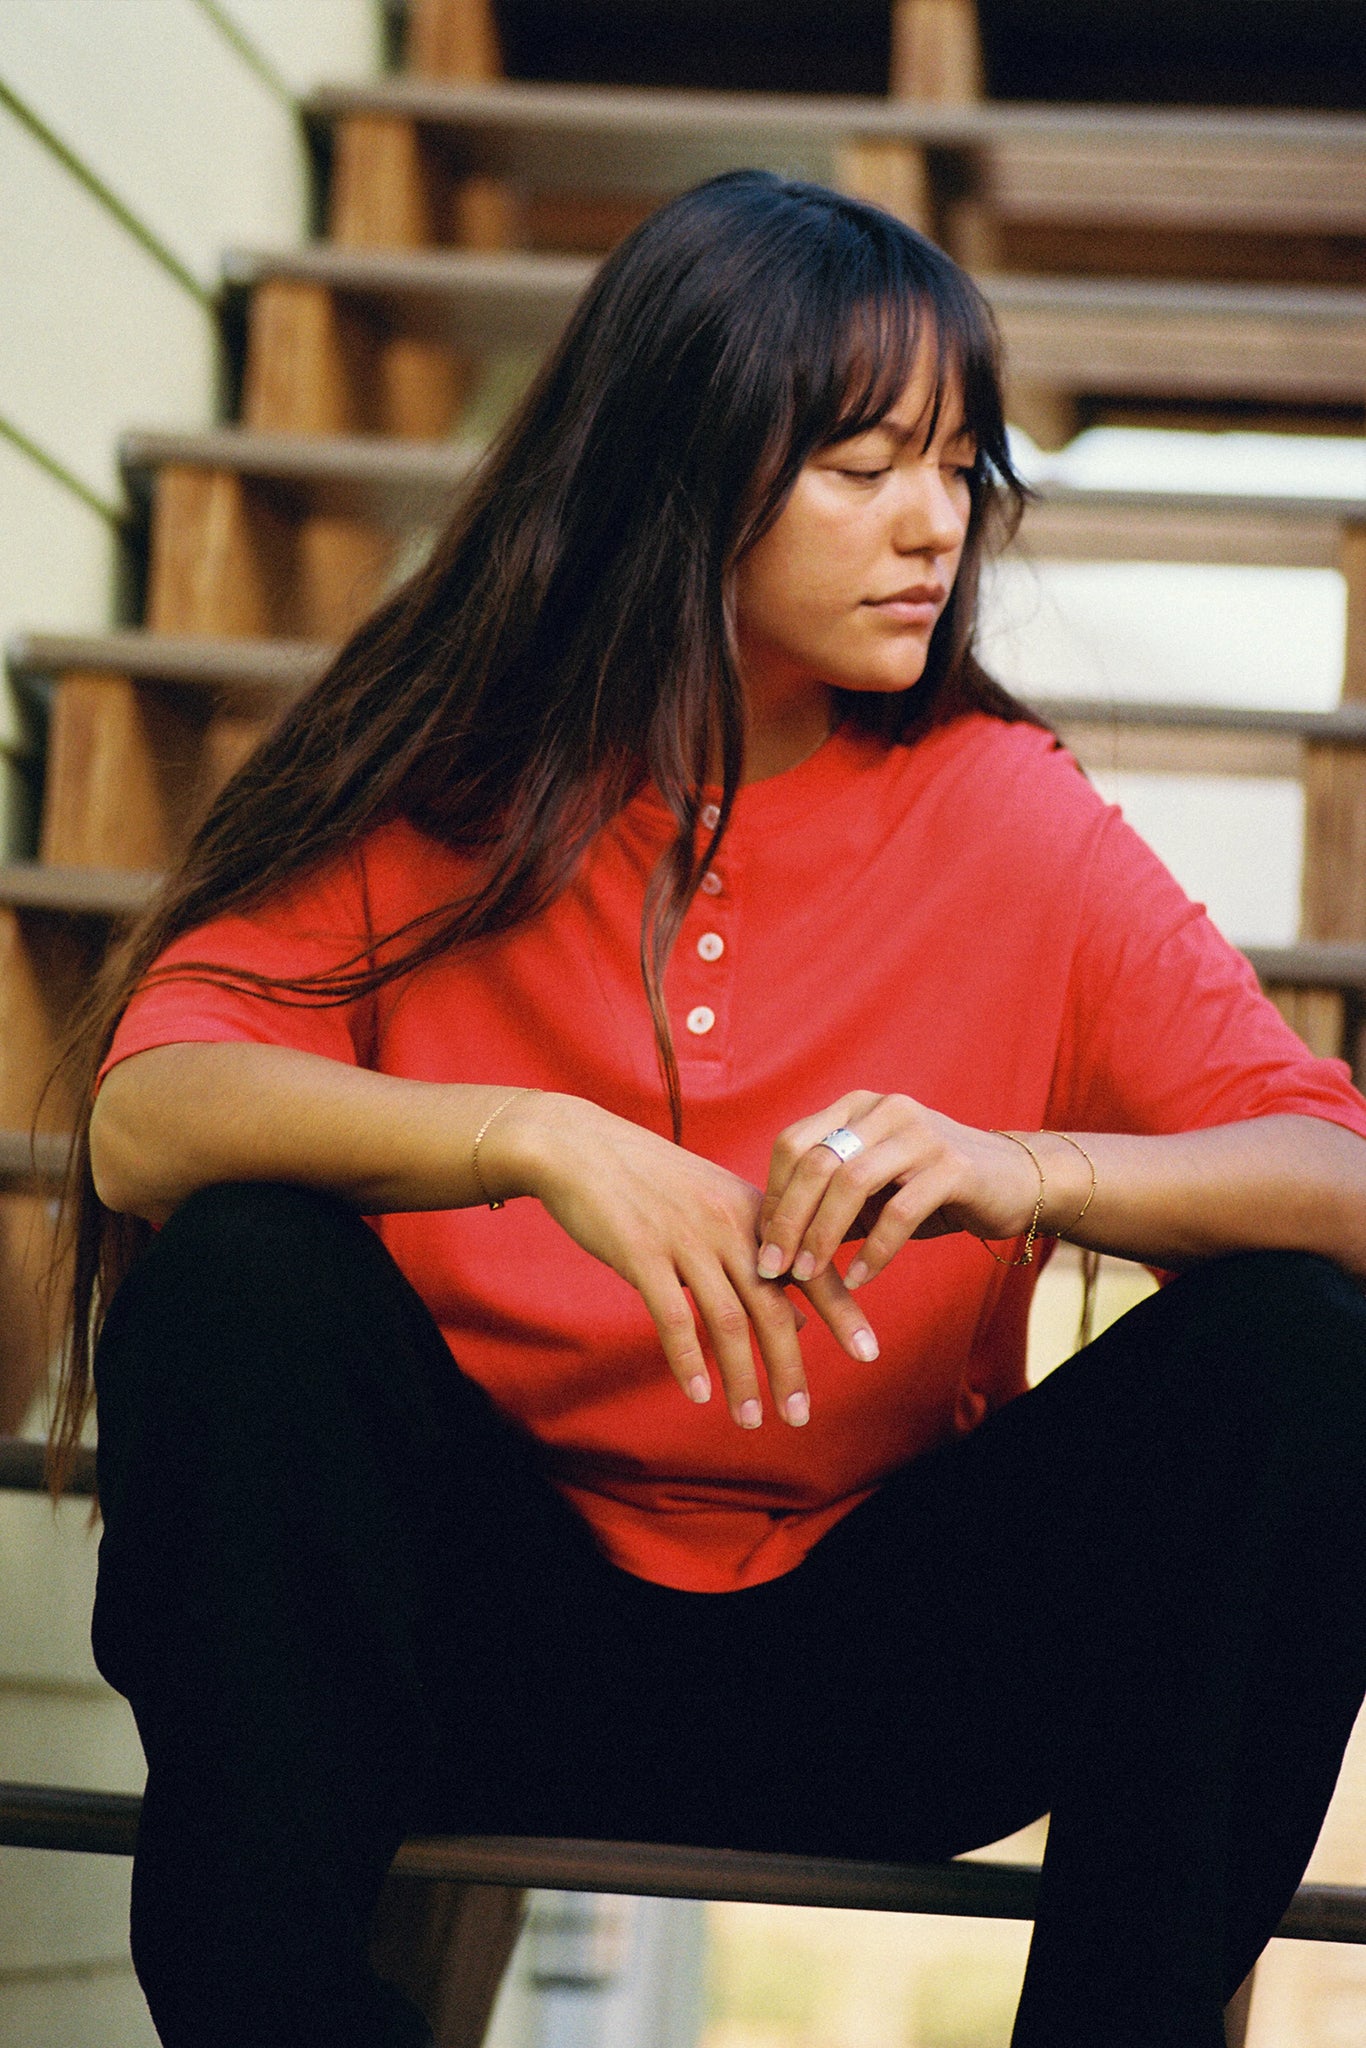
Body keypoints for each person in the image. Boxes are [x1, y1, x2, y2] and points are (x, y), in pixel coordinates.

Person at [53, 171, 1366, 2048]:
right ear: (678, 470)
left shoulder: (1009, 818)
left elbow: (1335, 1174)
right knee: (236, 1275)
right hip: (466, 1642)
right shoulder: (453, 777)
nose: (936, 522)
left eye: (956, 466)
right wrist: (528, 1138)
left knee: (1308, 1351)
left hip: (880, 1675)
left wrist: (1028, 1173)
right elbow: (145, 1116)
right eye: (860, 466)